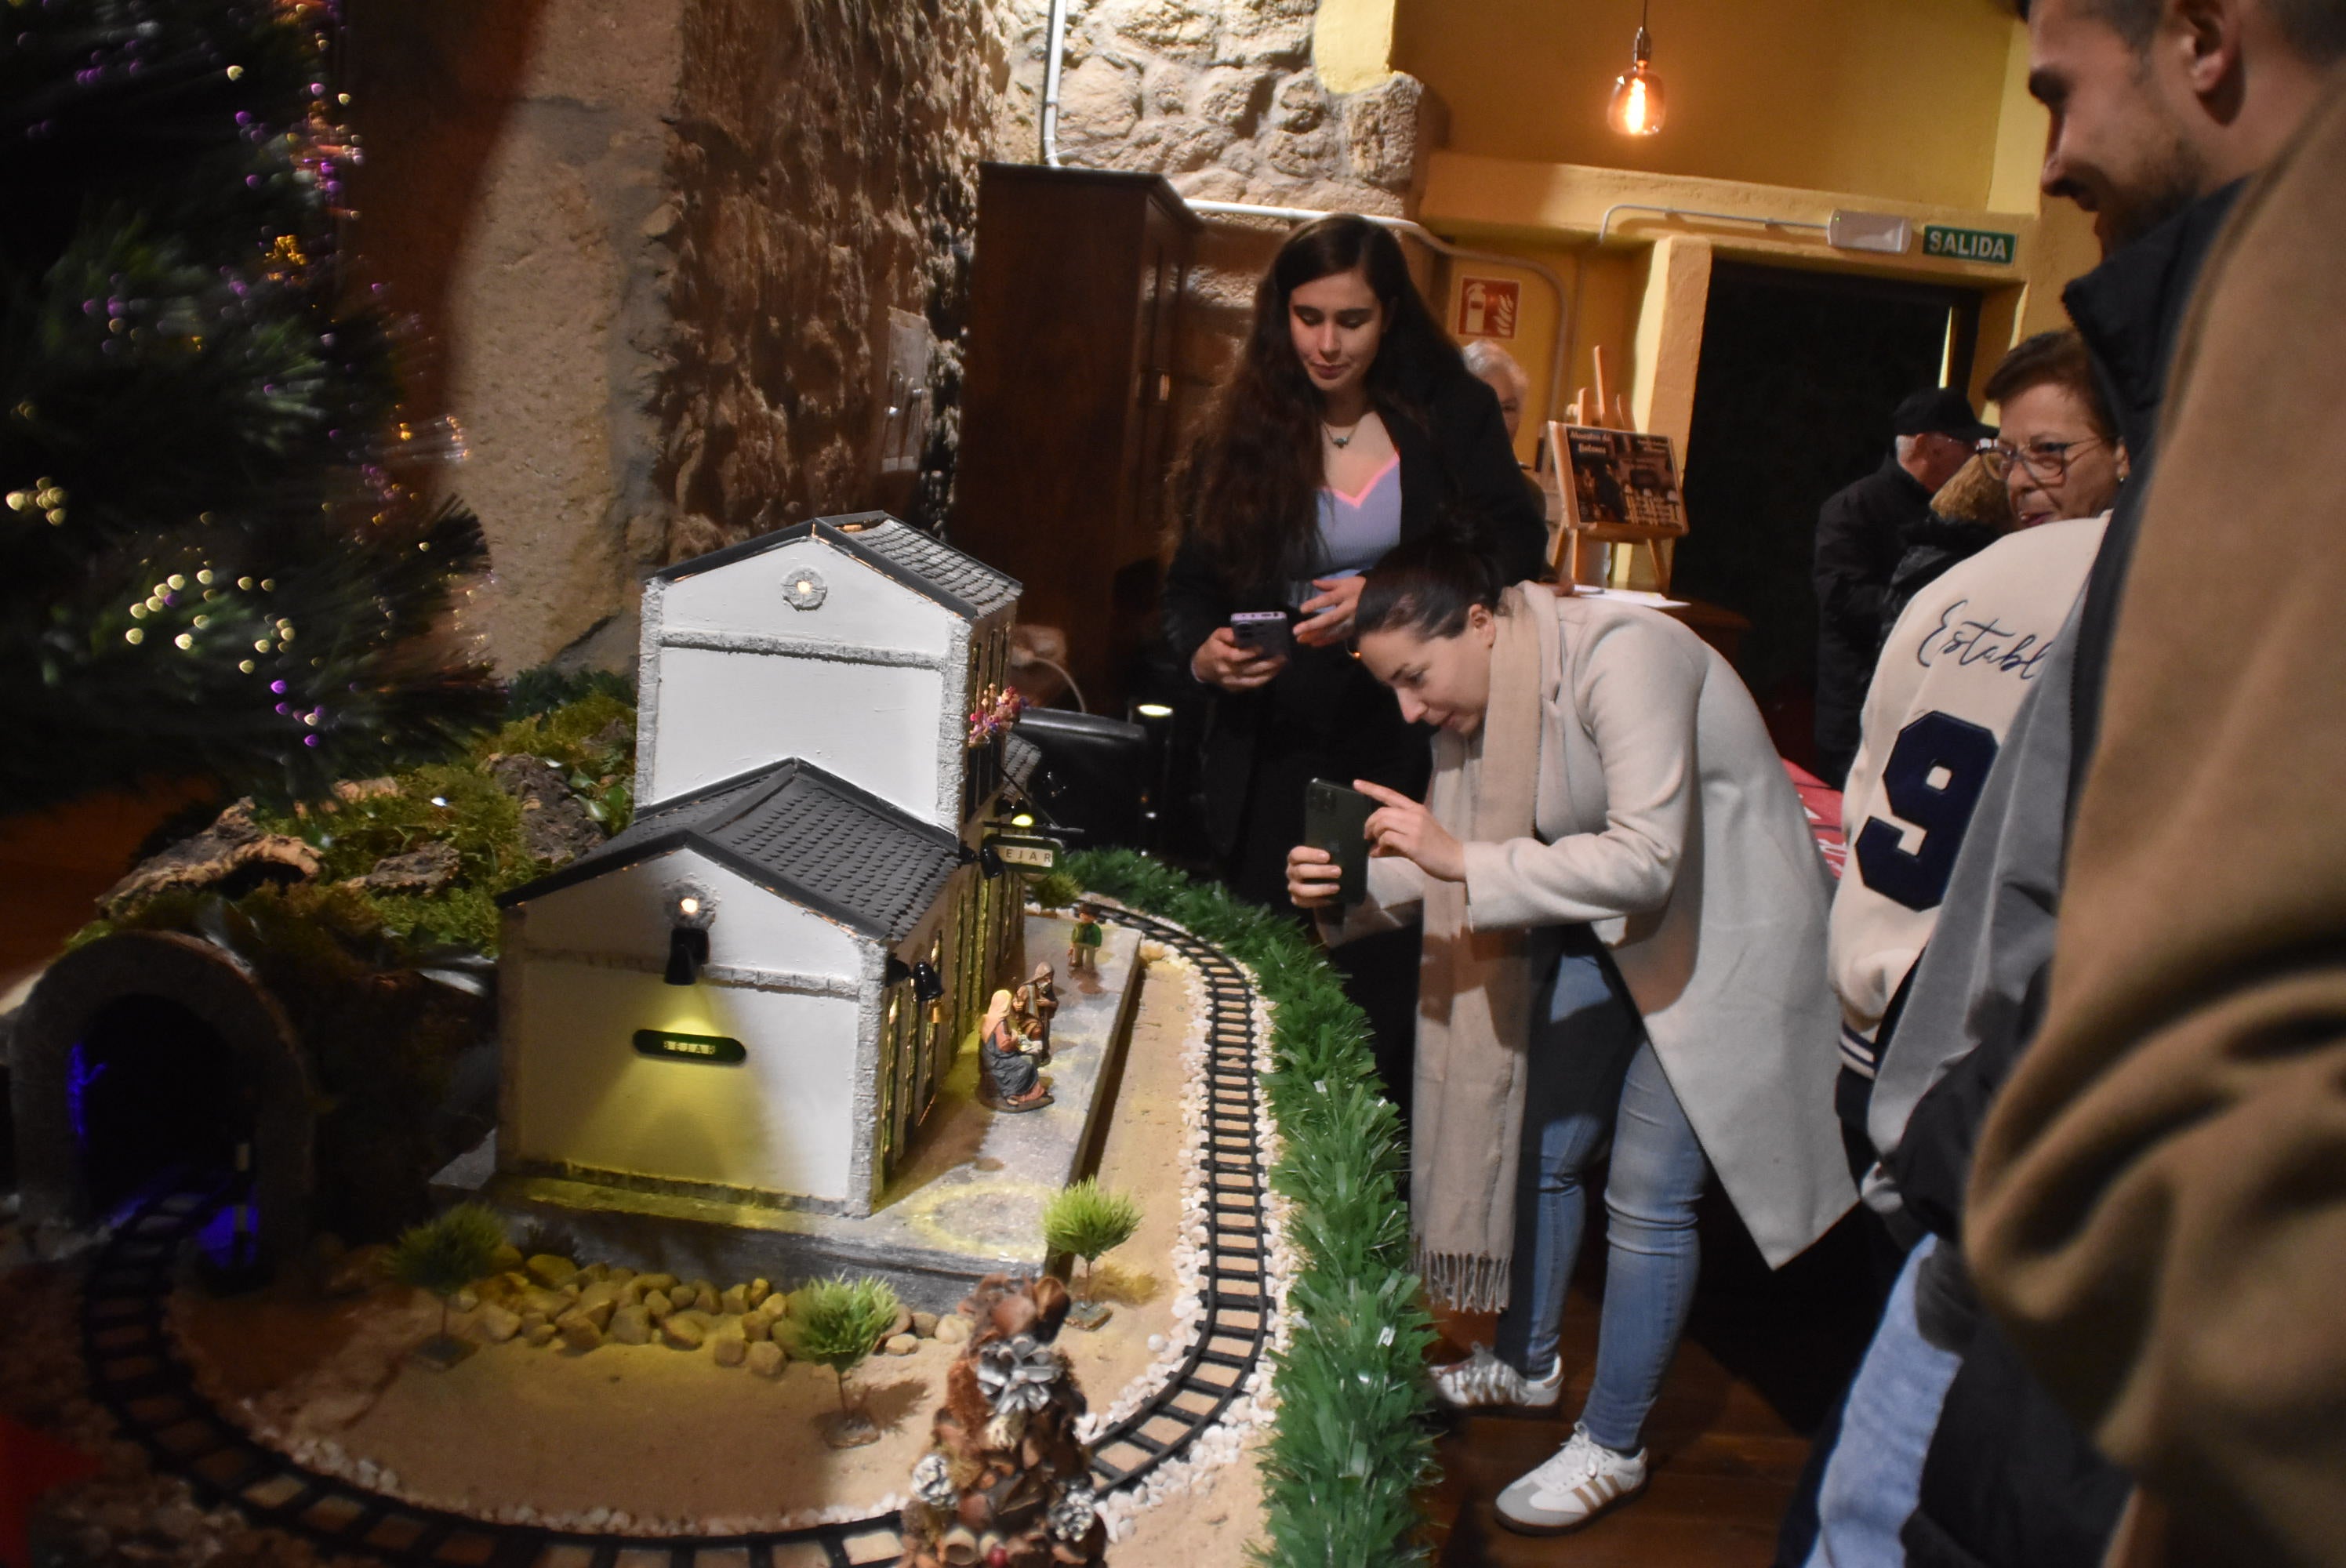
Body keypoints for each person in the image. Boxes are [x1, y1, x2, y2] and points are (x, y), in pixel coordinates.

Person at [1849, 2, 2342, 1563]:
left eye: (2057, 95)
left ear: (2199, 39)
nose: (2047, 157)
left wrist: (2005, 1178)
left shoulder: (2293, 341)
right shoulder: (2219, 343)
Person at [1287, 535, 1852, 1536]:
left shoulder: (1622, 653)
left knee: (1646, 1189)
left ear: (1478, 620)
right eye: (1395, 694)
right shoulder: (1486, 704)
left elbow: (1640, 858)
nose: (1412, 712)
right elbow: (1471, 858)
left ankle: (1616, 1441)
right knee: (1543, 1143)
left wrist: (1452, 850)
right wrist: (1357, 888)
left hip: (1727, 942)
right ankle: (1525, 1359)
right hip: (1616, 935)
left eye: (1416, 678)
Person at [1787, 330, 2124, 1568]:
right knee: (1919, 1376)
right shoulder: (2131, 592)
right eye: (2009, 452)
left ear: (2125, 450)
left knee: (1887, 1363)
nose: (2026, 478)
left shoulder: (1952, 587)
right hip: (1968, 1039)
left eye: (2053, 452)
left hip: (1884, 1006)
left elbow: (1873, 778)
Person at [1164, 213, 1546, 1119]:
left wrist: (1385, 591)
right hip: (1268, 740)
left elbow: (1515, 543)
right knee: (1258, 980)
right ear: (1278, 316)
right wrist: (1203, 653)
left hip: (1404, 737)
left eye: (1351, 320)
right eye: (1306, 317)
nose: (1326, 343)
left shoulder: (1446, 409)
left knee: (1374, 986)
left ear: (1390, 319)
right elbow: (1189, 587)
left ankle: (1357, 1199)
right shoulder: (1249, 423)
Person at [1813, 389, 1992, 786]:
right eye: (1964, 443)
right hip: (1857, 702)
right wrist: (1930, 611)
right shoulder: (1854, 507)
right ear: (1928, 445)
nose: (1973, 455)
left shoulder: (1961, 512)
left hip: (1926, 699)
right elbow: (1842, 599)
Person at [980, 989, 1050, 1112]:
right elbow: (1004, 1045)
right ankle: (1013, 1094)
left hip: (993, 1055)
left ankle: (1036, 1091)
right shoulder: (1000, 1023)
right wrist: (1015, 1038)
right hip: (998, 1059)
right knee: (1026, 1065)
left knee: (1028, 1058)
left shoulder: (989, 1017)